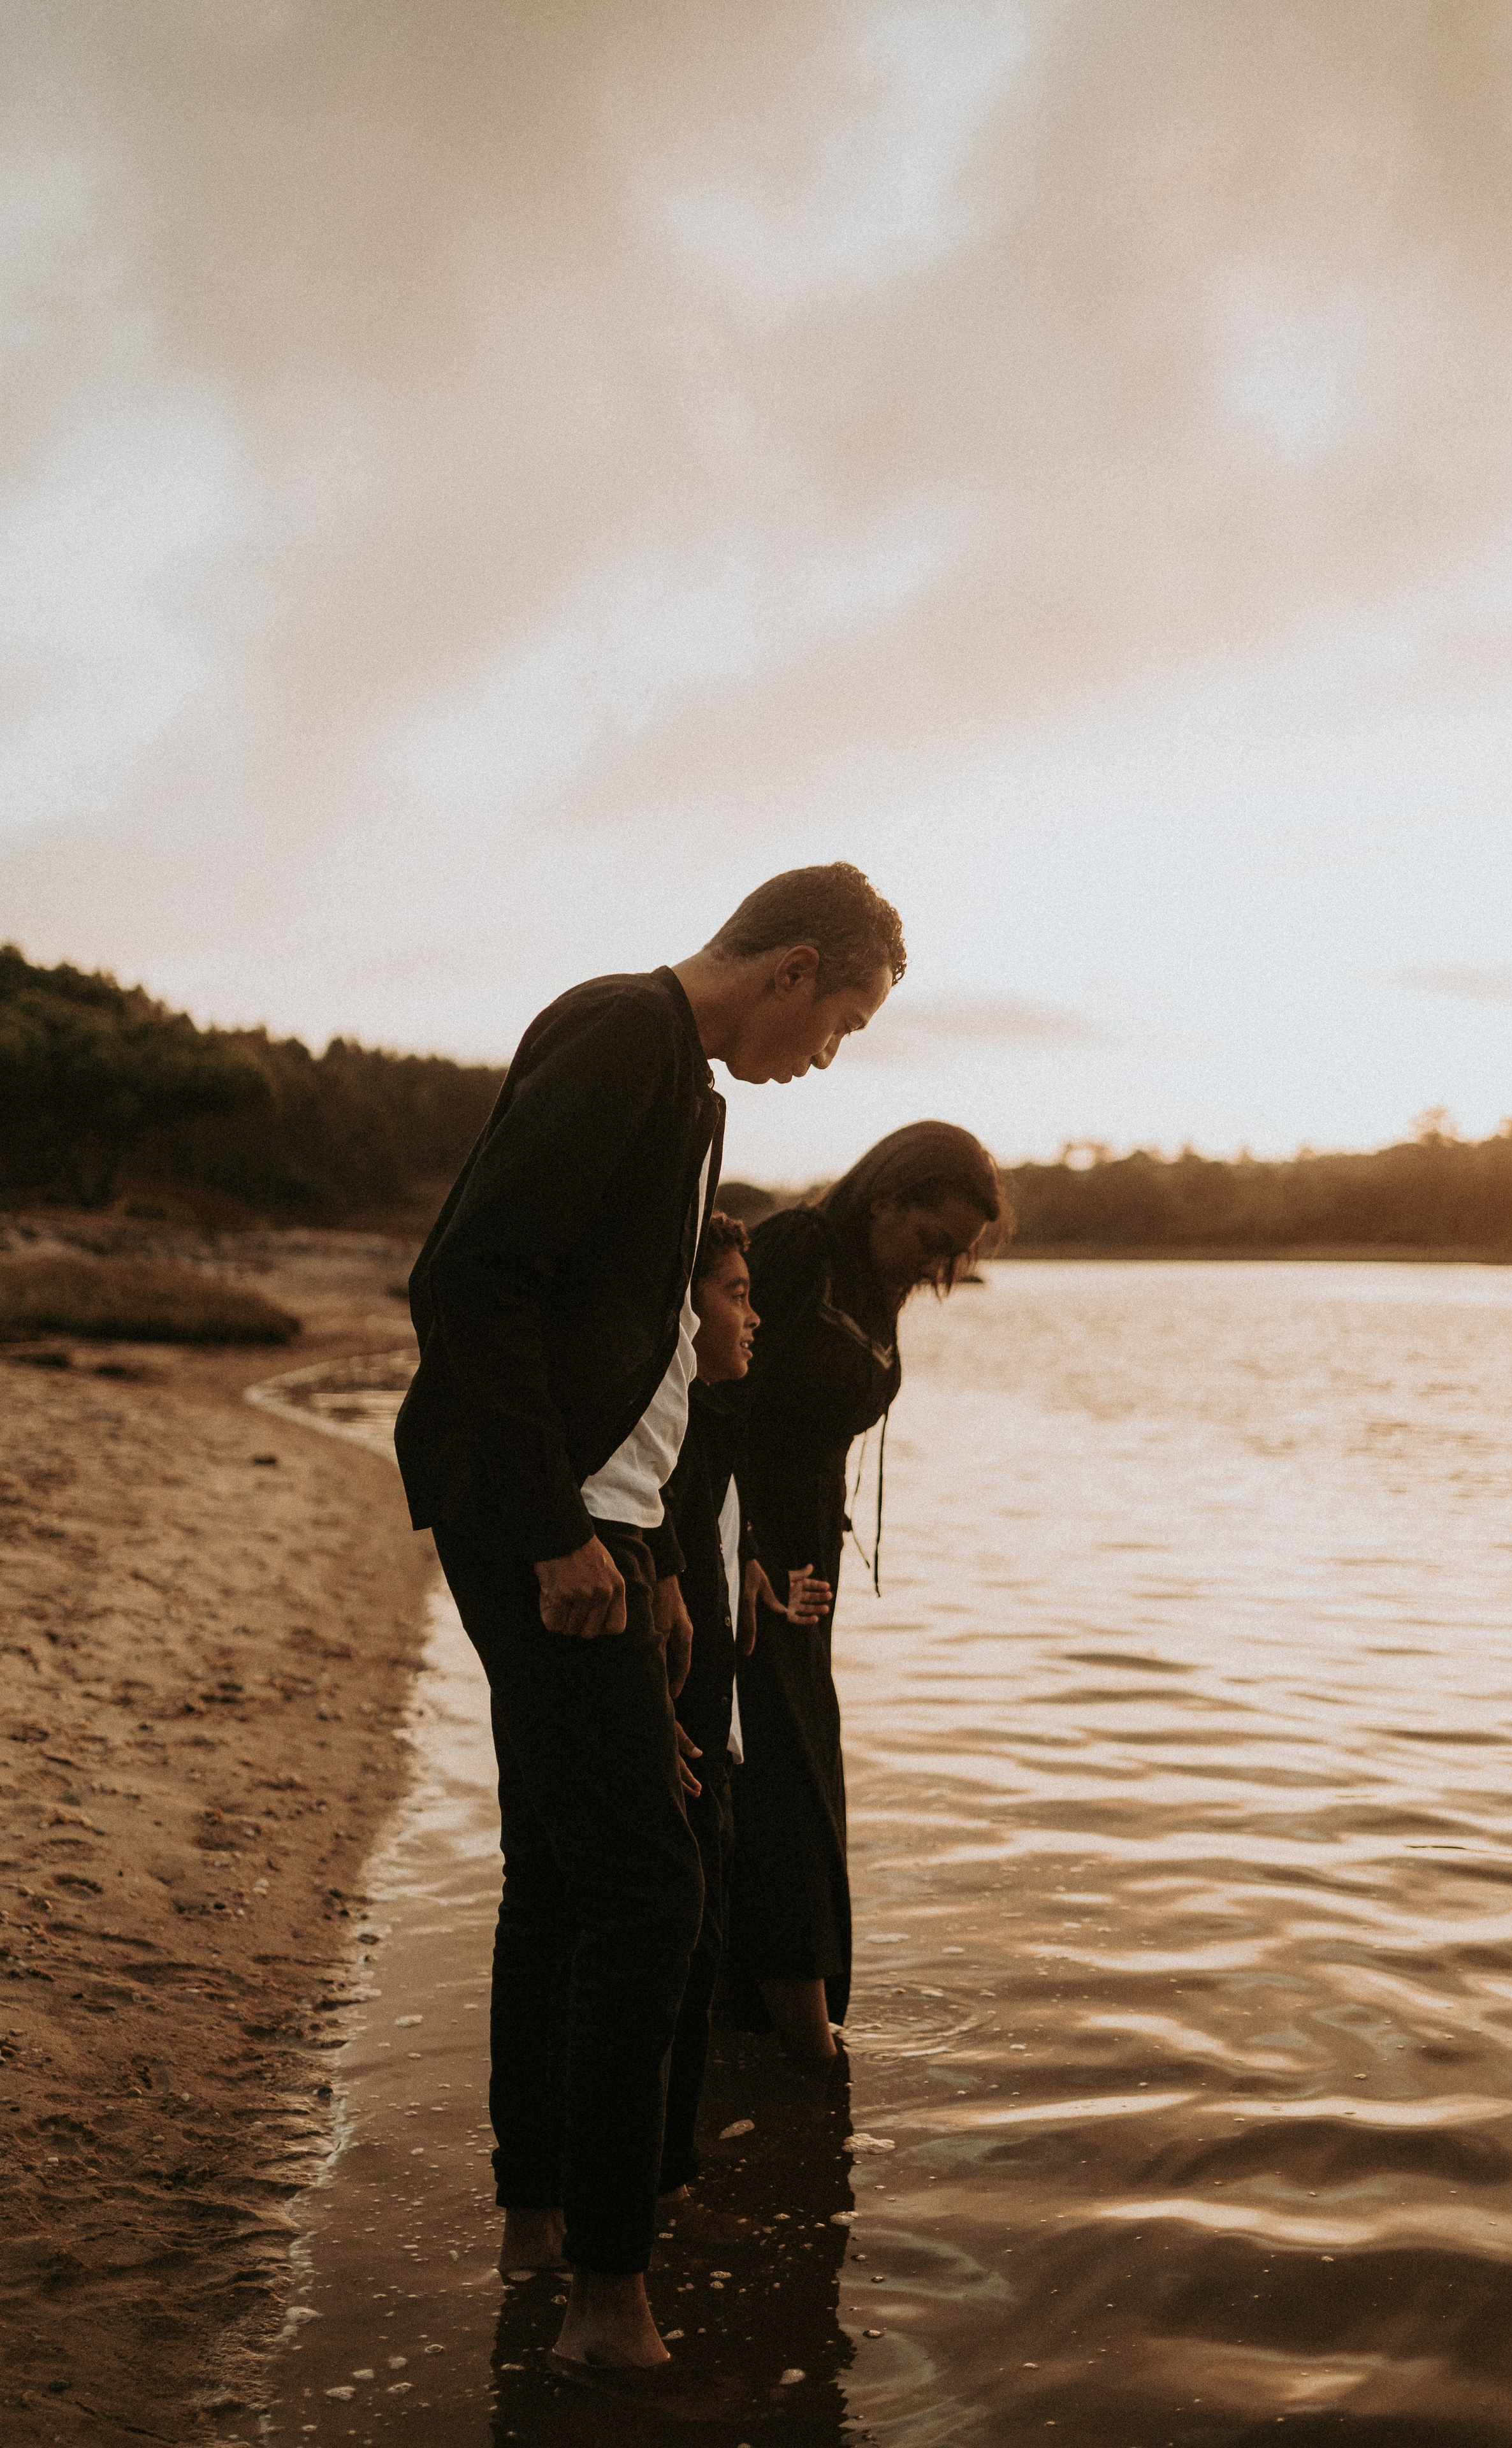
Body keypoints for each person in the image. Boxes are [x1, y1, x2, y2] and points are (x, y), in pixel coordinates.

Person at [392, 864, 905, 2384]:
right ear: (794, 968)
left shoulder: (686, 1089)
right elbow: (468, 1280)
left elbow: (642, 1342)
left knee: (564, 1872)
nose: (831, 1057)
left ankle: (545, 2230)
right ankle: (609, 2302)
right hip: (540, 1517)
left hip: (604, 1519)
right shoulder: (625, 1034)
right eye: (846, 1022)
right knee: (649, 1893)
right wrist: (558, 1532)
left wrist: (663, 1548)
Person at [724, 1121, 1007, 2063]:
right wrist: (744, 1550)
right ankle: (803, 2043)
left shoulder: (877, 1283)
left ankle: (754, 2028)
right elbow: (713, 1393)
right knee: (778, 1779)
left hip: (810, 1563)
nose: (942, 1266)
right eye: (935, 1241)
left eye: (959, 1255)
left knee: (799, 1768)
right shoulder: (801, 1247)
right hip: (751, 1554)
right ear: (887, 1196)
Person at [653, 1213, 831, 2226]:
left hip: (714, 1735)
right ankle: (658, 2190)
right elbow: (662, 1556)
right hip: (685, 1740)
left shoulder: (712, 1427)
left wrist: (749, 1565)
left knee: (697, 1946)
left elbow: (709, 1527)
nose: (756, 1318)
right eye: (735, 1294)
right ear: (679, 1313)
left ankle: (672, 2176)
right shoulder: (665, 1447)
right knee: (674, 1950)